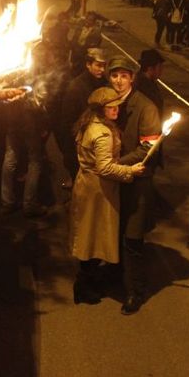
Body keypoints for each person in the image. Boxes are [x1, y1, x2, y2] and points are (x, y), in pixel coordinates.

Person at [69, 88, 146, 305]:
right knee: (92, 238)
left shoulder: (89, 124)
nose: (117, 110)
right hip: (98, 191)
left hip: (86, 185)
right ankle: (84, 287)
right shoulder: (102, 133)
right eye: (112, 107)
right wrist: (131, 171)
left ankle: (85, 283)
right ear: (101, 109)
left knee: (87, 236)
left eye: (118, 106)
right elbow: (105, 168)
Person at [107, 56, 162, 314]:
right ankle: (117, 277)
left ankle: (135, 291)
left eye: (123, 75)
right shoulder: (108, 101)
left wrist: (117, 163)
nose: (118, 80)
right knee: (114, 233)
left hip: (137, 181)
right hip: (114, 179)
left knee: (132, 239)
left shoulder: (145, 107)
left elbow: (148, 147)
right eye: (114, 75)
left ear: (132, 78)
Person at [57, 47, 109, 188]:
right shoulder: (76, 87)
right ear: (88, 64)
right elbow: (67, 121)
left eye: (104, 66)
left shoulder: (105, 84)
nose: (102, 70)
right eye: (98, 65)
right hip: (80, 144)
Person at [0, 92, 50, 219]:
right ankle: (29, 204)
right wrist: (44, 124)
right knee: (35, 161)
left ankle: (7, 202)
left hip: (12, 120)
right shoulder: (29, 77)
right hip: (30, 122)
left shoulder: (7, 78)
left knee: (10, 158)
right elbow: (38, 102)